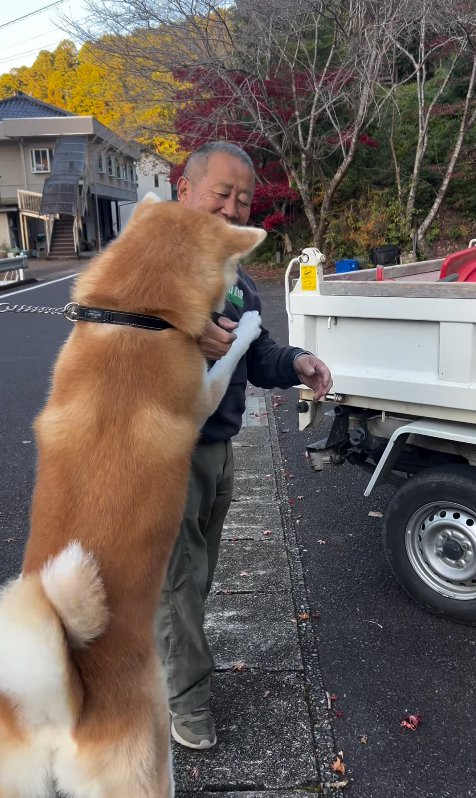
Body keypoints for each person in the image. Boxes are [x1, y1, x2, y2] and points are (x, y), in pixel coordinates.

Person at [156, 141, 332, 750]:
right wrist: (179, 326)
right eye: (220, 193)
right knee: (177, 582)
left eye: (243, 199)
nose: (232, 208)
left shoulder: (240, 282)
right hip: (163, 452)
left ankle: (164, 666)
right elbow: (111, 322)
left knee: (194, 578)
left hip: (218, 450)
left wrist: (298, 359)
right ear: (185, 189)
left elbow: (258, 354)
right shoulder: (151, 256)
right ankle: (188, 701)